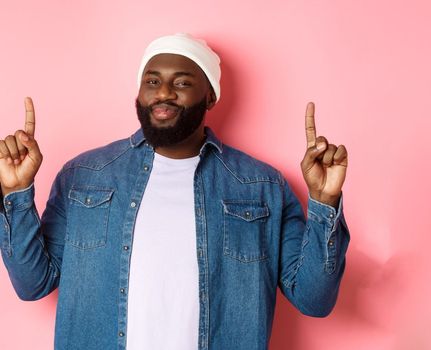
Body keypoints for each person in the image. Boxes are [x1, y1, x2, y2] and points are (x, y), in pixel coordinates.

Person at [0, 33, 350, 350]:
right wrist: (16, 192)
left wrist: (325, 201)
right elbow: (33, 284)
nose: (164, 92)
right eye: (152, 81)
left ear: (210, 96)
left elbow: (313, 300)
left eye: (182, 82)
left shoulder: (263, 187)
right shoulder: (84, 176)